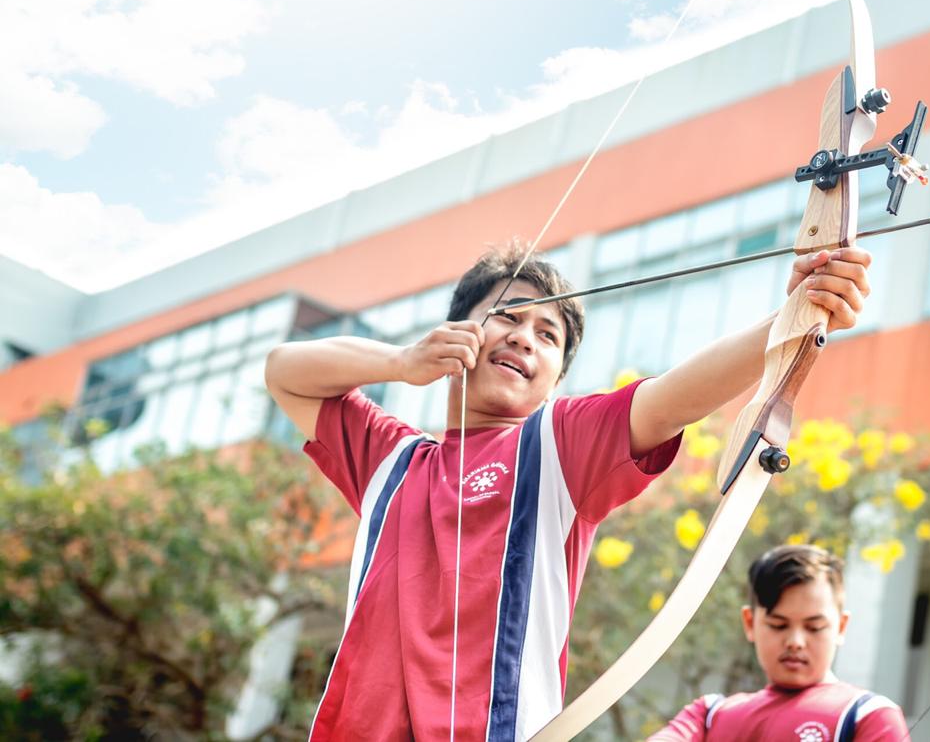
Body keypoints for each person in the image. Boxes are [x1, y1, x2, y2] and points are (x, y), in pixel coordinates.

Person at [264, 242, 871, 741]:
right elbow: (284, 372)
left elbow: (673, 397)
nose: (526, 337)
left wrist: (794, 313)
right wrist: (402, 362)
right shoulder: (389, 460)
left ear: (556, 378)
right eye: (507, 314)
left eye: (548, 334)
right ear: (458, 331)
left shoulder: (557, 446)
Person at [649, 544, 910, 742]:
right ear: (750, 623)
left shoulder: (867, 716)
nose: (795, 642)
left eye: (814, 627)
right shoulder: (709, 715)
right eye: (778, 625)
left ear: (841, 627)